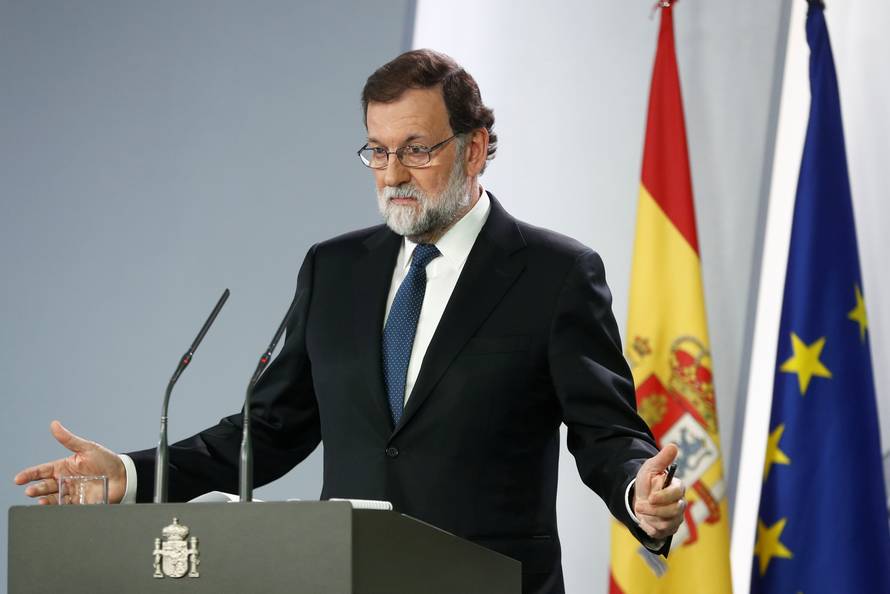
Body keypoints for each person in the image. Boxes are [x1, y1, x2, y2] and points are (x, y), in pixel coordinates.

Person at [15, 49, 685, 594]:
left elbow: (606, 431)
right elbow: (267, 431)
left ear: (476, 149)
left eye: (417, 150)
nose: (393, 173)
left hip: (491, 582)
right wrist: (130, 476)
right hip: (348, 580)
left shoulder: (553, 273)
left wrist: (638, 492)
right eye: (377, 150)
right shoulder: (335, 269)